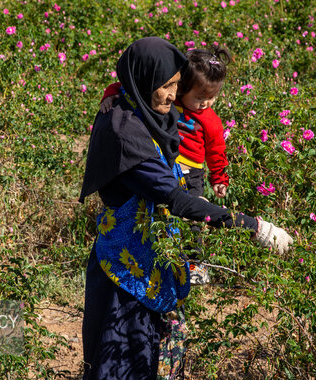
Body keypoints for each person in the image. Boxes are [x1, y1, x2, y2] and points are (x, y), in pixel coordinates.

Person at [79, 37, 293, 380]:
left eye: (177, 84)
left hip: (148, 256)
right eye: (167, 86)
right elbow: (176, 199)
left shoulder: (133, 103)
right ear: (144, 81)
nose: (174, 95)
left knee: (151, 359)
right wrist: (253, 226)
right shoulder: (125, 134)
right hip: (124, 271)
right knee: (123, 368)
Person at [100, 45, 234, 285]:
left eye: (212, 98)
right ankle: (164, 256)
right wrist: (110, 93)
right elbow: (129, 84)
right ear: (183, 87)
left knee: (194, 217)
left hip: (191, 172)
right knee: (163, 215)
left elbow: (216, 152)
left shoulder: (210, 120)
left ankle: (195, 263)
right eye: (200, 98)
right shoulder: (169, 98)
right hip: (164, 164)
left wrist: (219, 178)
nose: (206, 104)